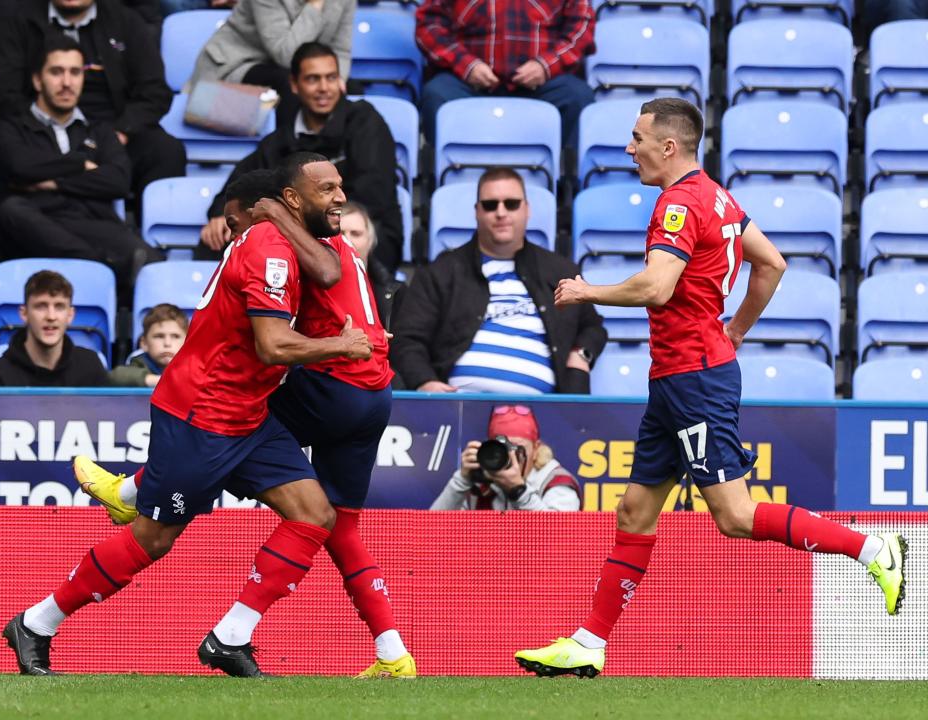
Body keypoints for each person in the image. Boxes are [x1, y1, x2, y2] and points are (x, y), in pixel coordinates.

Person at [514, 98, 909, 679]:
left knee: (735, 516)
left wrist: (585, 290)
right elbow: (771, 262)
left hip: (695, 380)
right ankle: (589, 642)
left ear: (668, 147)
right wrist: (738, 330)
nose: (630, 148)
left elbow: (655, 286)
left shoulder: (677, 204)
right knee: (634, 510)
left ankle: (873, 549)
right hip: (681, 376)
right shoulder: (718, 197)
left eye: (637, 138)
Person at [1, 153, 376, 678]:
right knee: (154, 539)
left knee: (313, 514)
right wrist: (340, 343)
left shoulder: (287, 244)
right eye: (328, 190)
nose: (340, 198)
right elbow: (271, 346)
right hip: (203, 416)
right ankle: (37, 623)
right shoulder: (268, 248)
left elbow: (330, 268)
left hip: (248, 415)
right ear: (288, 205)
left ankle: (230, 638)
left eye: (341, 188)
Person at [390, 167, 606, 394]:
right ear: (477, 211)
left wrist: (580, 355)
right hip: (457, 410)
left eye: (511, 203)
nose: (501, 213)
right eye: (490, 205)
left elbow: (593, 327)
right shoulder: (440, 273)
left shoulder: (560, 271)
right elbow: (407, 339)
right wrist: (426, 382)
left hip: (546, 415)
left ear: (527, 209)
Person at [198, 42, 403, 273]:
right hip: (299, 234)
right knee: (215, 240)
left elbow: (373, 194)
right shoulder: (282, 139)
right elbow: (244, 182)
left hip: (362, 230)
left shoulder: (365, 123)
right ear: (294, 85)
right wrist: (221, 215)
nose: (324, 87)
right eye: (313, 79)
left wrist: (300, 220)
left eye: (331, 77)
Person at [0, 35, 163, 283]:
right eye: (57, 72)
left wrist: (52, 182)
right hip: (32, 226)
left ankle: (96, 266)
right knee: (11, 211)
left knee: (150, 261)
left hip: (88, 224)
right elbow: (19, 167)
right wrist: (79, 164)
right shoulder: (10, 127)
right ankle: (100, 267)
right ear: (37, 80)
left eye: (75, 72)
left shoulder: (99, 131)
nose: (67, 82)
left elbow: (118, 181)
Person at [0, 0, 186, 202]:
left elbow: (155, 92)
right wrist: (41, 130)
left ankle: (147, 230)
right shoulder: (19, 21)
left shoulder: (126, 21)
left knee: (165, 151)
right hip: (39, 134)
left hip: (111, 132)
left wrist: (120, 133)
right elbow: (2, 93)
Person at [415, 0, 595, 147]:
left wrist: (545, 66)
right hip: (470, 83)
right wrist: (467, 65)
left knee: (577, 96)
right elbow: (428, 26)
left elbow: (582, 28)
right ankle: (447, 176)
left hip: (541, 85)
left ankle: (564, 181)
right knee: (437, 95)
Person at [189, 0, 355, 113]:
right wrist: (315, 5)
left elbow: (340, 48)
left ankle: (330, 156)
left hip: (297, 66)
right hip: (237, 62)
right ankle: (290, 155)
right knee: (289, 83)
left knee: (348, 88)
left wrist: (336, 78)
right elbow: (286, 55)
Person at [431, 404, 580, 511]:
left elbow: (559, 539)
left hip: (538, 556)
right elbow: (432, 533)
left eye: (518, 448)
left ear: (536, 448)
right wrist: (461, 481)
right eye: (504, 448)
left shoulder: (555, 481)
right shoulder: (480, 479)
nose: (511, 455)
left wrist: (519, 491)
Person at [0, 270, 110, 387]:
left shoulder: (91, 367)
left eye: (59, 307)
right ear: (24, 313)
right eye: (41, 306)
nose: (51, 316)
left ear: (70, 315)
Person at [340, 202, 401, 329]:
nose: (347, 240)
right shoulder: (311, 287)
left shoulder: (396, 292)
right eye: (339, 233)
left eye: (356, 234)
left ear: (371, 241)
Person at [109, 303, 188, 388]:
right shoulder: (140, 364)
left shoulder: (196, 366)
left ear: (187, 342)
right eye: (159, 336)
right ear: (144, 343)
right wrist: (157, 381)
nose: (167, 343)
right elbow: (115, 376)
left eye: (175, 336)